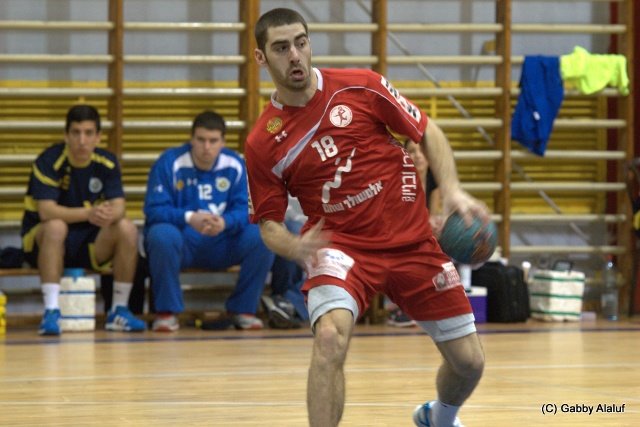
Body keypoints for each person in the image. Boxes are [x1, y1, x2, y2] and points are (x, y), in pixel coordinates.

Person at [245, 8, 487, 427]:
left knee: (469, 363)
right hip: (341, 247)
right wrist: (295, 246)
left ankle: (440, 417)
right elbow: (268, 224)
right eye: (281, 48)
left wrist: (451, 189)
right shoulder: (263, 142)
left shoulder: (362, 86)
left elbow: (427, 131)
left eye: (301, 42)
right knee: (328, 338)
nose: (295, 55)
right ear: (261, 58)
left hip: (412, 242)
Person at [143, 110, 274, 332]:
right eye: (201, 139)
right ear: (191, 139)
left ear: (223, 141)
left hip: (223, 242)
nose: (206, 147)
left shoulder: (236, 165)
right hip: (184, 241)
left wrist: (225, 222)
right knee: (160, 235)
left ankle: (243, 310)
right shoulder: (169, 162)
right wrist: (189, 217)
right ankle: (166, 313)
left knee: (263, 235)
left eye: (213, 141)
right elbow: (154, 209)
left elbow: (249, 209)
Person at [21, 104, 145, 336]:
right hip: (44, 240)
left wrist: (109, 214)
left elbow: (119, 206)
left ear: (98, 137)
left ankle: (119, 310)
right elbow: (46, 211)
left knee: (127, 228)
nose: (82, 140)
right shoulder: (49, 161)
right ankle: (51, 312)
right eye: (76, 133)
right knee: (56, 227)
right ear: (66, 135)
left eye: (88, 133)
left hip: (90, 241)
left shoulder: (107, 162)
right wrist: (89, 213)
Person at [261, 195, 309, 329]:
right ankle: (286, 302)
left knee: (337, 264)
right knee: (289, 233)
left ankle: (287, 303)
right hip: (290, 222)